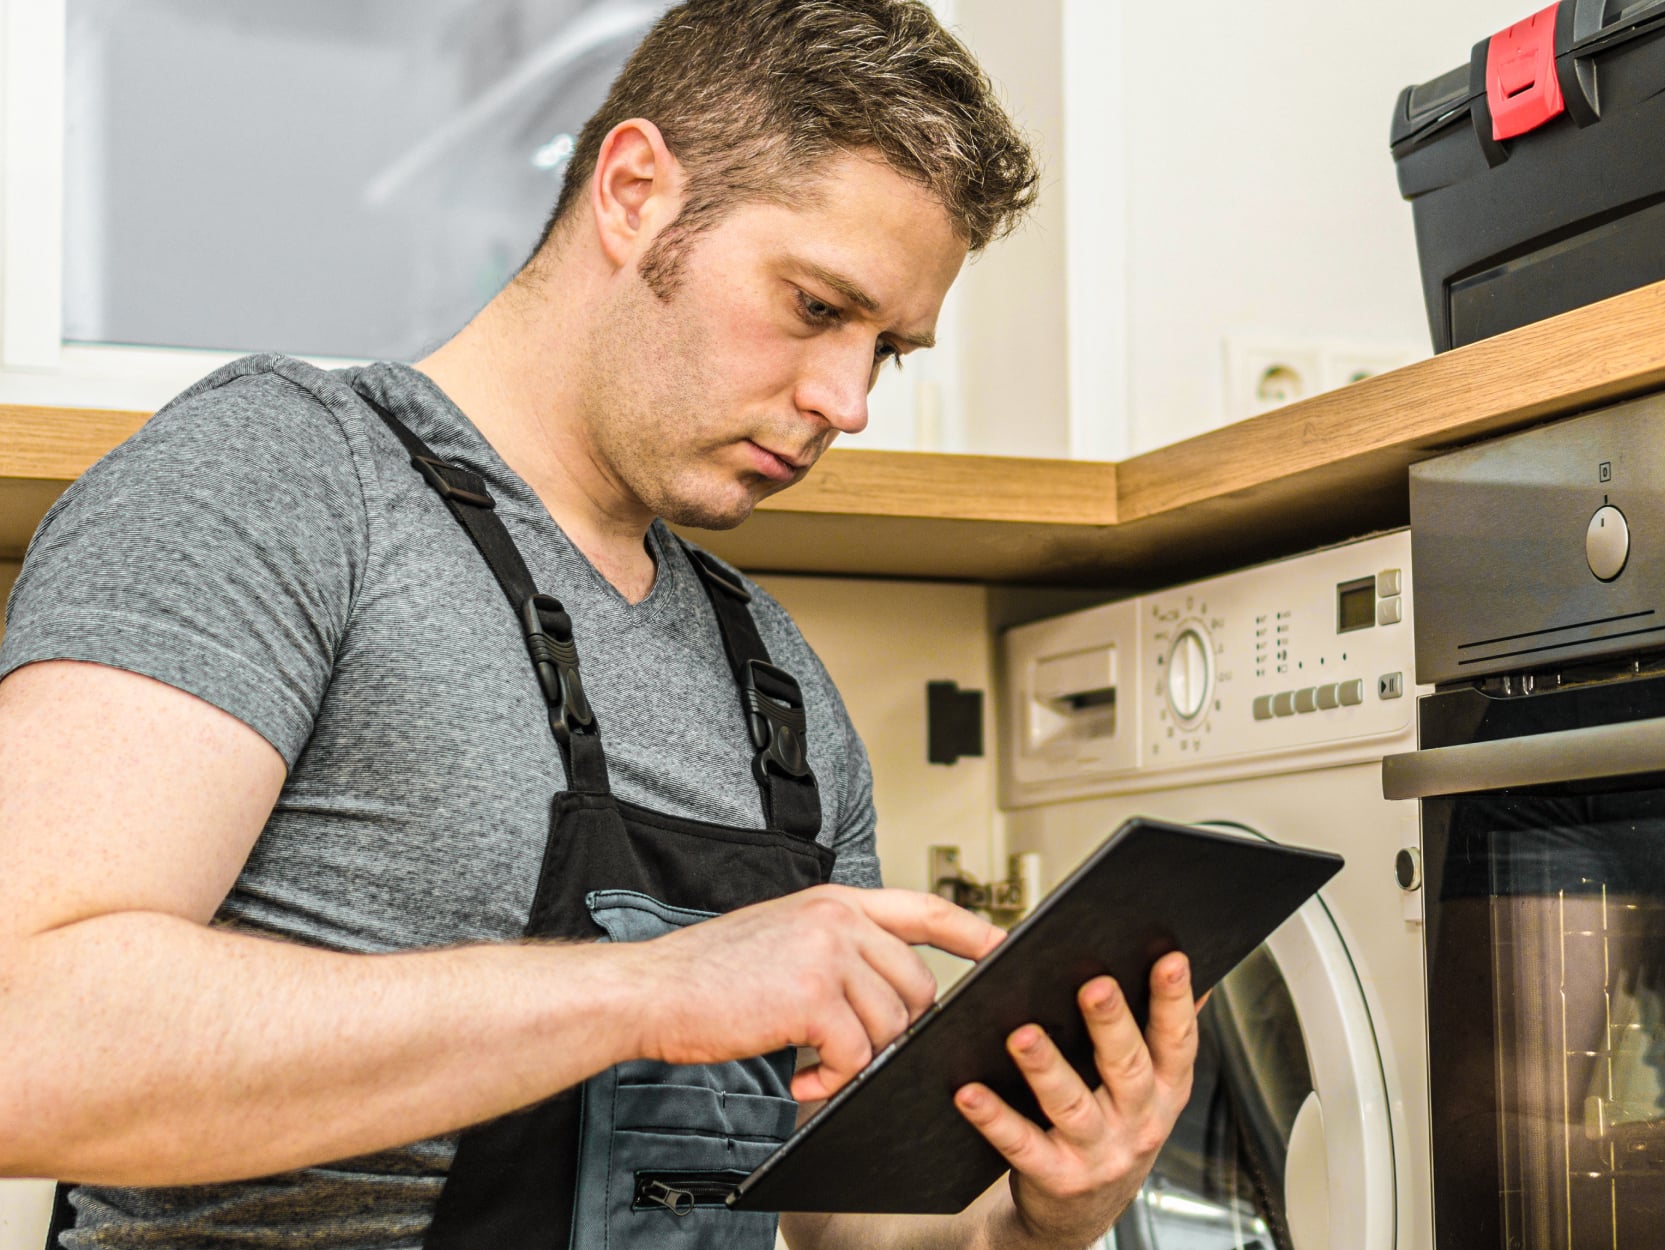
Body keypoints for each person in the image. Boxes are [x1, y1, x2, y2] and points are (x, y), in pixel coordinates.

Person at [0, 3, 1201, 1248]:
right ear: (633, 191)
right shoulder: (282, 479)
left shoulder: (777, 685)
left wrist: (1036, 1218)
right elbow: (23, 1036)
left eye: (886, 350)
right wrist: (643, 989)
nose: (845, 402)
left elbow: (838, 1224)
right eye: (812, 306)